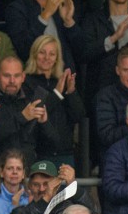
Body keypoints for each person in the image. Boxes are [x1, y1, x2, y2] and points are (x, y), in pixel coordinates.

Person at [0, 55, 58, 175]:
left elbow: (52, 146)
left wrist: (44, 123)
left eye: (16, 76)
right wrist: (22, 118)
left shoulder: (31, 103)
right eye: (7, 76)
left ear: (23, 77)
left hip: (27, 178)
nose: (12, 81)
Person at [23, 34, 85, 167]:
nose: (47, 58)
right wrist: (56, 93)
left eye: (52, 54)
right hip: (39, 154)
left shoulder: (62, 81)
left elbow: (78, 116)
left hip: (65, 153)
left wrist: (71, 92)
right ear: (34, 54)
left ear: (57, 58)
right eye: (42, 52)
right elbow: (35, 114)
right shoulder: (26, 82)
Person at [5, 0, 84, 72]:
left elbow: (82, 53)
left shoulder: (61, 5)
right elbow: (23, 49)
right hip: (33, 82)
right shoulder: (17, 8)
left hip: (65, 78)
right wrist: (45, 16)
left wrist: (69, 21)